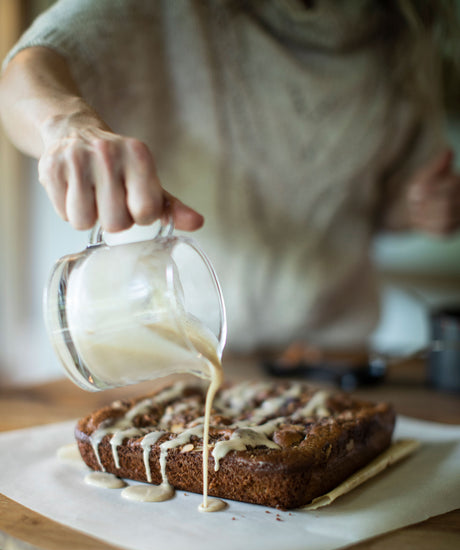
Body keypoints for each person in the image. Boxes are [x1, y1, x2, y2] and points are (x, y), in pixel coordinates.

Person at [1, 0, 459, 354]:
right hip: (163, 350)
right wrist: (65, 125)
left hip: (332, 357)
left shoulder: (407, 37)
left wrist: (419, 207)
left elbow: (380, 200)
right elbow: (23, 74)